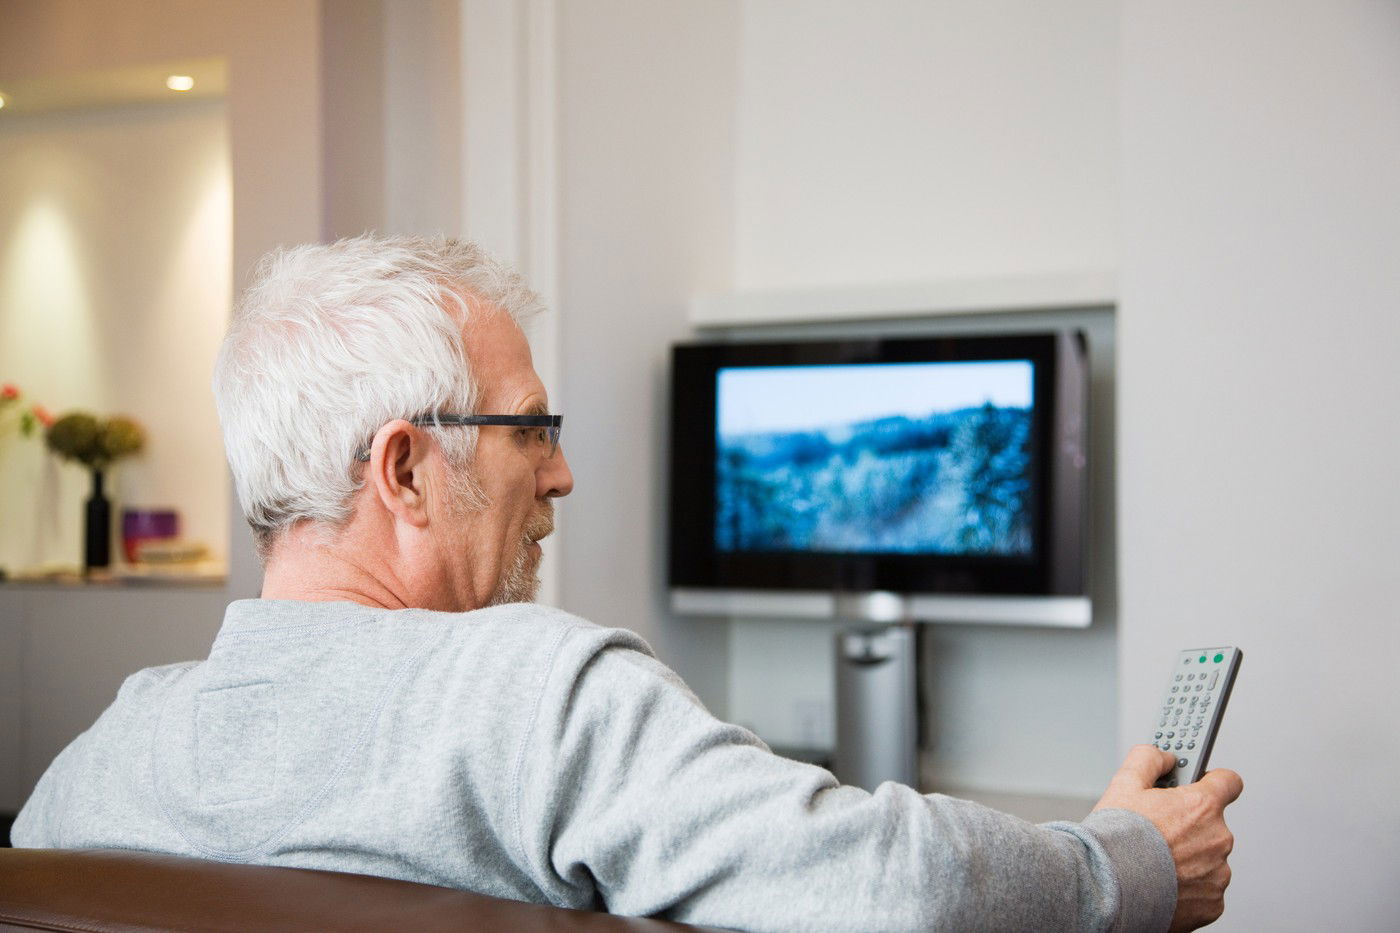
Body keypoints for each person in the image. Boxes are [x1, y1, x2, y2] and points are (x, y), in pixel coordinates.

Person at [13, 235, 1241, 932]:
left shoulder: (94, 769)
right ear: (402, 467)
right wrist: (1121, 857)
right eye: (527, 430)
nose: (560, 476)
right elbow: (893, 888)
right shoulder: (537, 695)